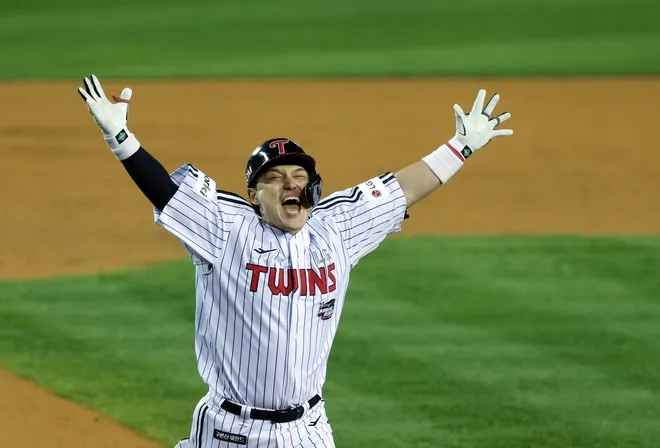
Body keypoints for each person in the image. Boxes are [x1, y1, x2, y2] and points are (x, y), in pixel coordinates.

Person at [77, 74, 513, 448]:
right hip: (229, 430)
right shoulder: (225, 229)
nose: (290, 183)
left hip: (307, 429)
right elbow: (166, 192)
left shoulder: (337, 228)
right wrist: (120, 138)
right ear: (253, 195)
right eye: (275, 177)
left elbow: (406, 188)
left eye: (300, 176)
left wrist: (460, 146)